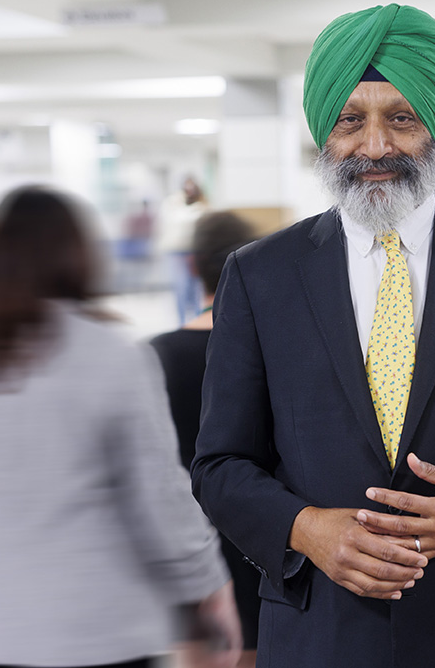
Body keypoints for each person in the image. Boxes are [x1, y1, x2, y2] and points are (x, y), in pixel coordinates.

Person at [191, 4, 435, 668]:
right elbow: (219, 464)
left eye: (400, 119)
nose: (375, 146)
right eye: (351, 120)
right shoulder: (260, 276)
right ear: (326, 132)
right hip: (320, 633)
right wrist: (304, 529)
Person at [0, 186, 241, 668]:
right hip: (104, 630)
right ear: (77, 255)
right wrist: (207, 586)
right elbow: (157, 496)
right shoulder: (116, 357)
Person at [151, 210, 260, 667]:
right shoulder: (273, 350)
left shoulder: (156, 356)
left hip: (184, 550)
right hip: (266, 545)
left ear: (193, 267)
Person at [158, 176, 208, 324]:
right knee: (181, 286)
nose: (190, 190)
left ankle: (198, 319)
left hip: (196, 251)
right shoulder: (173, 203)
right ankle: (182, 322)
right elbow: (174, 220)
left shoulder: (203, 203)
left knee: (197, 288)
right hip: (177, 251)